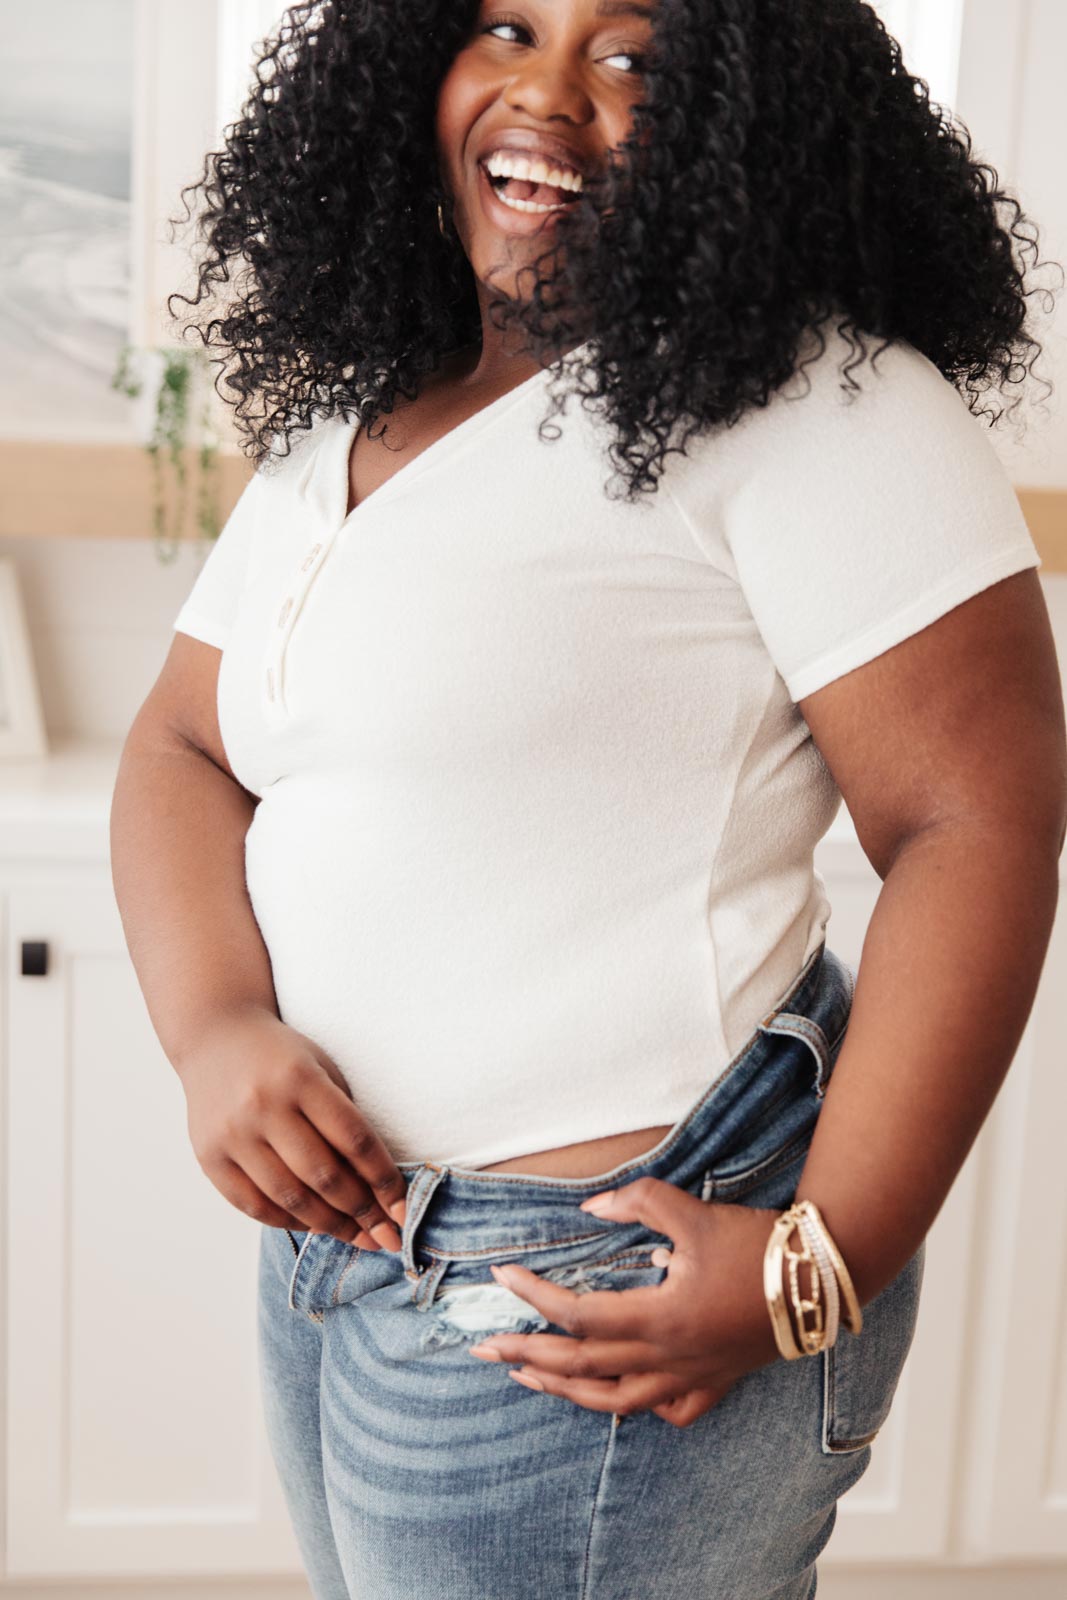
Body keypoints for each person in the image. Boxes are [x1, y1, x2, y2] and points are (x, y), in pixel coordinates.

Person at [111, 1, 1066, 1595]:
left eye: (632, 55)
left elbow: (979, 821)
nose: (546, 91)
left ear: (747, 107)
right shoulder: (361, 407)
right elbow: (181, 748)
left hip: (595, 1276)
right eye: (505, 25)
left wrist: (821, 1265)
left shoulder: (823, 404)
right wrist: (214, 1030)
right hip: (336, 1254)